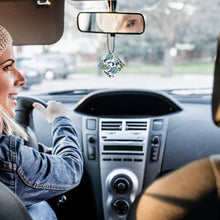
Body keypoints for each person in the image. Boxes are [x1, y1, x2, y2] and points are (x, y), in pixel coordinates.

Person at [0, 25, 83, 220]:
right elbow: (72, 168)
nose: (22, 79)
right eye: (6, 67)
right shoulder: (8, 158)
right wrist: (60, 120)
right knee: (38, 208)